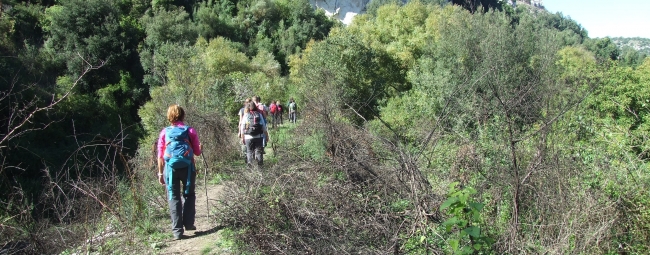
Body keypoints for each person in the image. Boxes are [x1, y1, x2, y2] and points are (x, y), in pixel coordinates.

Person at [157, 104, 202, 240]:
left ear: (169, 116)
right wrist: (200, 148)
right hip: (188, 168)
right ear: (183, 115)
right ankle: (188, 224)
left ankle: (177, 231)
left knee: (174, 197)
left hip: (170, 169)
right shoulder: (190, 131)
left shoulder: (164, 132)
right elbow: (197, 152)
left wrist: (160, 173)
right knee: (189, 194)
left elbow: (160, 155)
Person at [240, 102, 269, 167]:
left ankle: (250, 168)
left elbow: (242, 127)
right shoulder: (259, 114)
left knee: (249, 151)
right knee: (258, 152)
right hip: (259, 136)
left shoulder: (246, 115)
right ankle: (260, 167)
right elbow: (264, 126)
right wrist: (266, 136)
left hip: (248, 137)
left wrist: (242, 137)